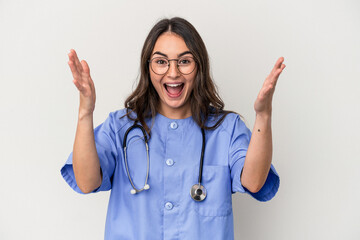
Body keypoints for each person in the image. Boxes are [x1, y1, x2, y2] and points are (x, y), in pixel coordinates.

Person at [61, 17, 285, 240]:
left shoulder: (227, 129)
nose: (173, 72)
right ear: (148, 68)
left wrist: (263, 115)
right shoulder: (120, 127)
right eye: (161, 62)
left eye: (184, 61)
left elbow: (254, 182)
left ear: (199, 67)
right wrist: (85, 112)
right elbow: (87, 181)